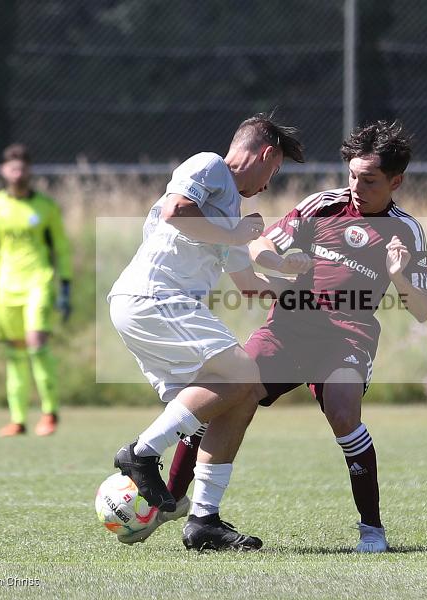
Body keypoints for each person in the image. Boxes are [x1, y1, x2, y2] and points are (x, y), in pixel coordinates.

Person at [162, 120, 427, 553]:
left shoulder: (406, 231)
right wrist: (280, 263)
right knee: (230, 393)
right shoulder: (322, 206)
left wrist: (400, 278)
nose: (356, 186)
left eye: (369, 179)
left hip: (348, 336)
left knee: (344, 413)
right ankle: (172, 500)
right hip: (287, 328)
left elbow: (422, 311)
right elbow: (258, 247)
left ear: (396, 181)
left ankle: (372, 530)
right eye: (352, 175)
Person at [107, 114, 307, 550]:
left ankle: (203, 521)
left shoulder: (230, 210)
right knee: (244, 376)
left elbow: (249, 285)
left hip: (156, 309)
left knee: (241, 396)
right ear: (265, 154)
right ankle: (140, 454)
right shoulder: (210, 164)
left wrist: (301, 287)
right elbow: (178, 211)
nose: (268, 186)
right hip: (153, 298)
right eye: (273, 173)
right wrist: (235, 231)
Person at [0, 143, 73, 437]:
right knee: (15, 353)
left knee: (37, 344)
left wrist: (65, 285)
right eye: (12, 167)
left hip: (38, 281)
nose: (18, 172)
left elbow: (60, 248)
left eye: (23, 167)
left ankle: (50, 413)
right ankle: (18, 419)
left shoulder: (45, 207)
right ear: (3, 171)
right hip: (6, 286)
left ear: (29, 171)